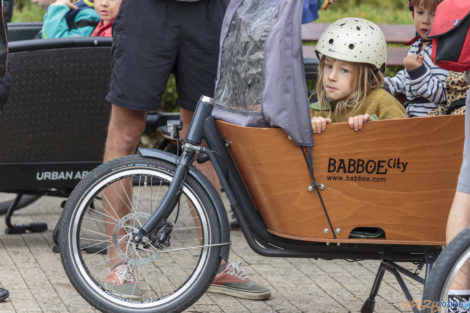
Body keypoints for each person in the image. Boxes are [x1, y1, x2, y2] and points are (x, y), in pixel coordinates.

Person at [102, 0, 270, 301]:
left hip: (208, 13)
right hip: (146, 11)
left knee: (204, 136)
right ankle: (118, 262)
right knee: (126, 133)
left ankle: (214, 264)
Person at [310, 17, 407, 134]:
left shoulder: (381, 102)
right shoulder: (317, 109)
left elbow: (404, 136)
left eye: (344, 70)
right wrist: (309, 128)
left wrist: (372, 127)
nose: (331, 76)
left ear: (366, 76)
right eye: (329, 66)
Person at [383, 0, 448, 117]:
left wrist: (418, 72)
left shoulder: (444, 50)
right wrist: (389, 84)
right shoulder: (417, 45)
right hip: (410, 115)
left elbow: (442, 95)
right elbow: (408, 77)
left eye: (433, 14)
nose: (425, 20)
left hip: (432, 119)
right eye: (420, 12)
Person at [32, 0, 99, 39]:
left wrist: (57, 9)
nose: (33, 1)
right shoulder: (62, 10)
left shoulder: (88, 15)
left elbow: (58, 48)